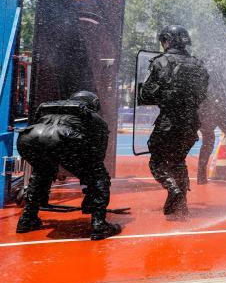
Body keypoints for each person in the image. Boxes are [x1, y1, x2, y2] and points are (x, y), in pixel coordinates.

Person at [16, 91, 121, 240]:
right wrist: (86, 175)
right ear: (93, 103)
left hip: (28, 140)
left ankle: (27, 219)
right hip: (62, 140)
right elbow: (98, 155)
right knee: (99, 177)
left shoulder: (51, 108)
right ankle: (99, 224)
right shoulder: (92, 117)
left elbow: (41, 131)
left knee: (41, 173)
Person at [139, 25, 209, 217]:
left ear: (168, 40)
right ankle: (179, 206)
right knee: (178, 161)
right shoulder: (198, 64)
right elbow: (202, 94)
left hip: (169, 121)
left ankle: (174, 190)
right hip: (191, 122)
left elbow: (146, 95)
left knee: (157, 162)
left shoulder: (160, 62)